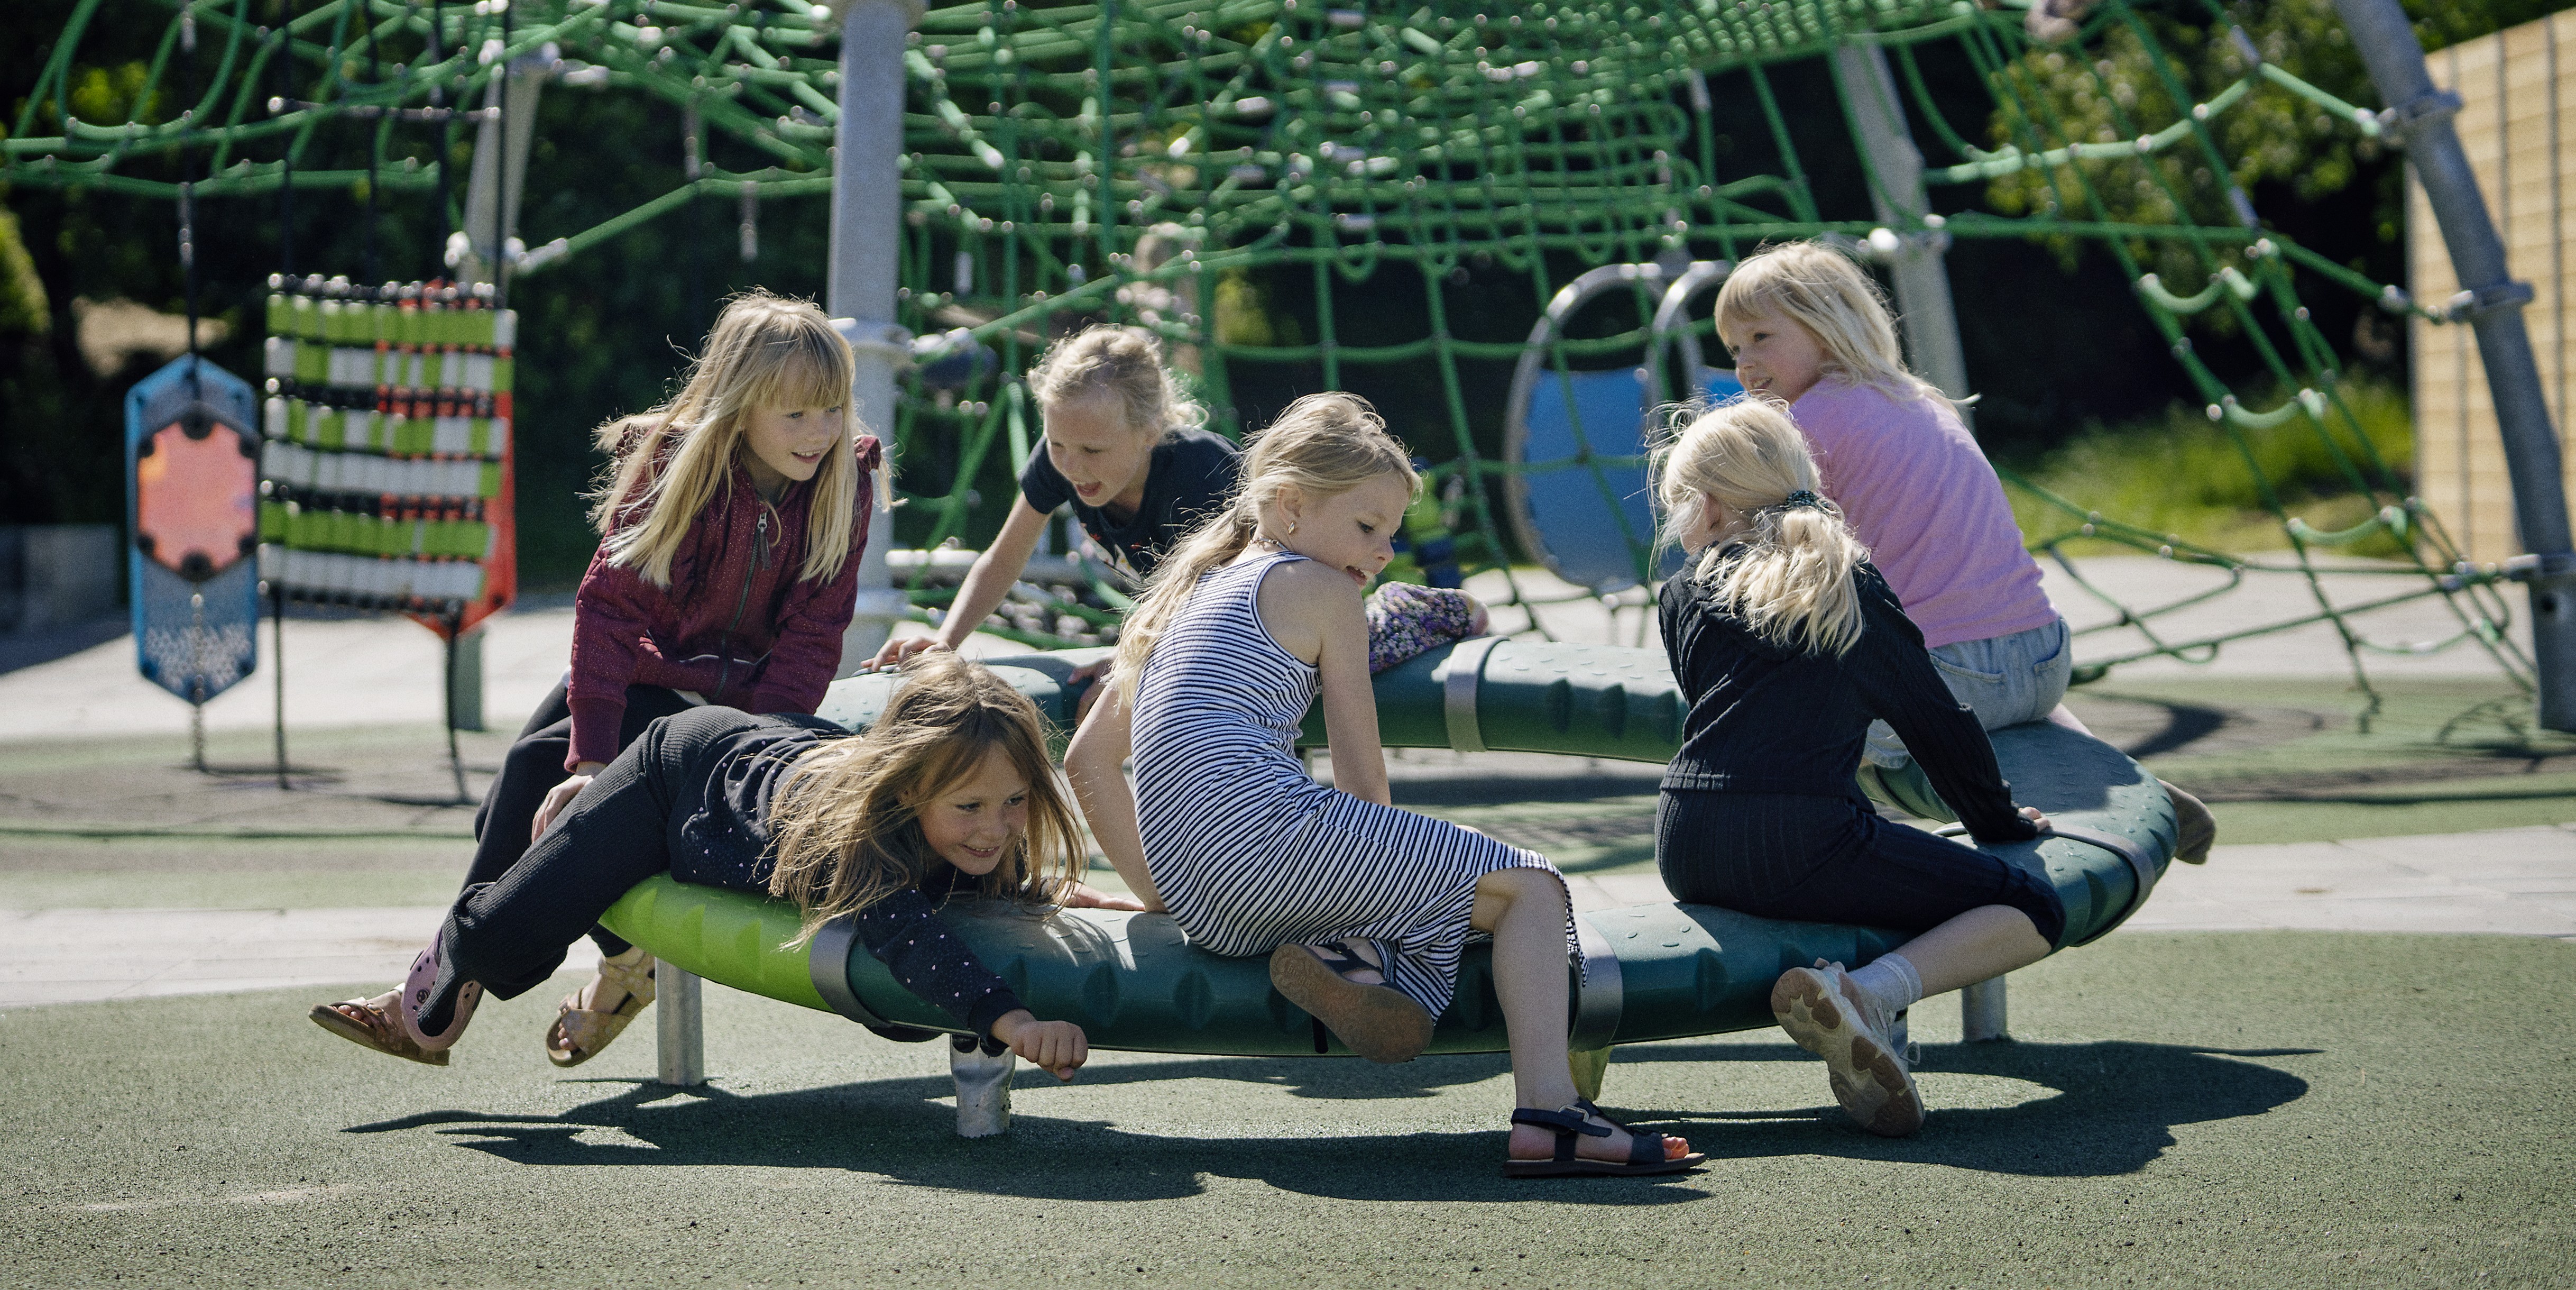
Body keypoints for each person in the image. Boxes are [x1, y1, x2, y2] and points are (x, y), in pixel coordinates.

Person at [1063, 393, 1700, 1178]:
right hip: (1271, 840)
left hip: (1206, 902)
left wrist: (1165, 892)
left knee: (1429, 882)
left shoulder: (1187, 595)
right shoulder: (1326, 592)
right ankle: (1548, 1112)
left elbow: (1086, 762)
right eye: (1367, 527)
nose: (1384, 551)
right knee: (1532, 888)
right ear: (1289, 507)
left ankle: (1360, 955)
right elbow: (1364, 783)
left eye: (1392, 533)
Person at [310, 653, 1134, 1076]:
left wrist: (1063, 893)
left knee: (933, 952)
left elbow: (993, 868)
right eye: (969, 808)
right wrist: (1013, 1021)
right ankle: (445, 989)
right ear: (912, 787)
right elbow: (905, 934)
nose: (996, 827)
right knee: (499, 937)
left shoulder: (975, 807)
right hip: (680, 775)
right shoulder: (850, 833)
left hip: (781, 750)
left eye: (1015, 802)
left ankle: (622, 962)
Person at [455, 291, 885, 1066]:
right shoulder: (678, 465)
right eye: (795, 415)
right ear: (740, 405)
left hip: (742, 715)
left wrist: (766, 741)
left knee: (529, 776)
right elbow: (612, 609)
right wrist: (588, 759)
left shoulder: (843, 480)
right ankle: (589, 960)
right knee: (527, 779)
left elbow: (815, 633)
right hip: (664, 679)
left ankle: (445, 990)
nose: (821, 432)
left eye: (832, 409)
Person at [1713, 240, 2215, 864]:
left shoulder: (1804, 426)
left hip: (1954, 675)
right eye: (1734, 349)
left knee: (1787, 720)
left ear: (1826, 326)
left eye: (1761, 337)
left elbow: (1771, 570)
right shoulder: (1919, 398)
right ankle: (2124, 781)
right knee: (1995, 689)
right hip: (2044, 659)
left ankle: (1834, 862)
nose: (1745, 364)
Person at [1651, 397, 2066, 1138]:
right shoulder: (1848, 587)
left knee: (1855, 859)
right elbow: (1937, 724)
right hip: (1804, 838)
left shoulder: (1681, 591)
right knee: (2031, 905)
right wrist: (1995, 821)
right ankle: (1867, 994)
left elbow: (1718, 713)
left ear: (1707, 507)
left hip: (1684, 839)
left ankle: (1851, 992)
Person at [867, 325, 1483, 688]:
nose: (1072, 464)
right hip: (1211, 635)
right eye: (1058, 444)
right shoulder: (1060, 459)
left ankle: (1433, 607)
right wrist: (946, 642)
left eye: (1093, 448)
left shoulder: (1198, 472)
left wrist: (1135, 654)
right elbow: (1003, 558)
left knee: (1365, 654)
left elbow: (1228, 599)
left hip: (1297, 617)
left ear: (1150, 432)